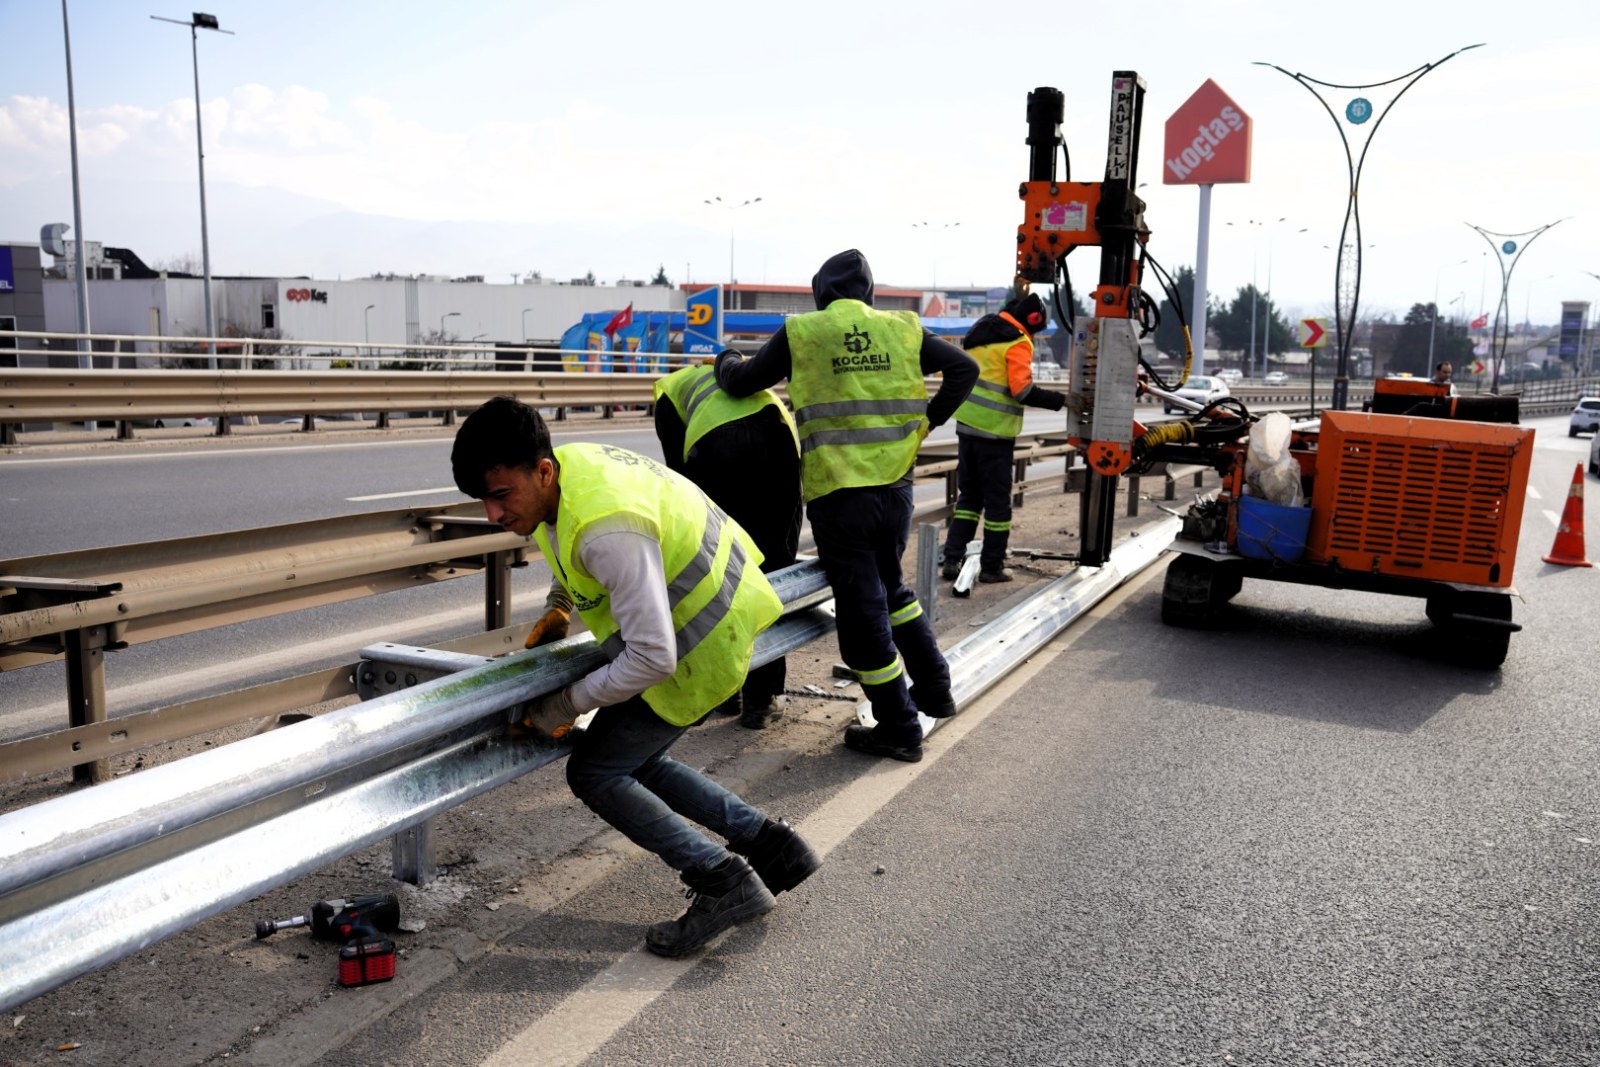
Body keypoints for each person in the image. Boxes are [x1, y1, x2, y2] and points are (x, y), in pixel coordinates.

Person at [450, 396, 820, 958]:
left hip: (700, 641)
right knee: (635, 758)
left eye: (501, 496)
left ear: (541, 471)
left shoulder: (605, 529)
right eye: (483, 500)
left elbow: (651, 658)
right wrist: (559, 602)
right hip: (717, 611)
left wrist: (563, 705)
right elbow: (579, 550)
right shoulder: (569, 473)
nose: (493, 515)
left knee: (596, 772)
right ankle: (772, 844)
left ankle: (723, 880)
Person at [715, 249, 978, 764]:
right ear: (869, 293)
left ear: (821, 293)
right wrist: (929, 421)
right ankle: (935, 688)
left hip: (840, 495)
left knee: (862, 618)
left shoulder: (804, 333)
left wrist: (724, 360)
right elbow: (964, 368)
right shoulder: (902, 327)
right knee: (893, 589)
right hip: (896, 488)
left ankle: (899, 727)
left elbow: (742, 380)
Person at [653, 359, 803, 730]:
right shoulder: (735, 377)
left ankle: (724, 691)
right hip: (780, 443)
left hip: (717, 448)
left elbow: (679, 482)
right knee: (772, 572)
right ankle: (762, 699)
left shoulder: (668, 391)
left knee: (720, 575)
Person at [939, 291, 1068, 584]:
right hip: (995, 434)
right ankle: (992, 567)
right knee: (998, 505)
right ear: (1033, 321)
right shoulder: (1018, 341)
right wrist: (1063, 400)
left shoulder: (980, 333)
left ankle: (951, 558)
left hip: (967, 427)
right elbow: (1021, 390)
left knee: (969, 498)